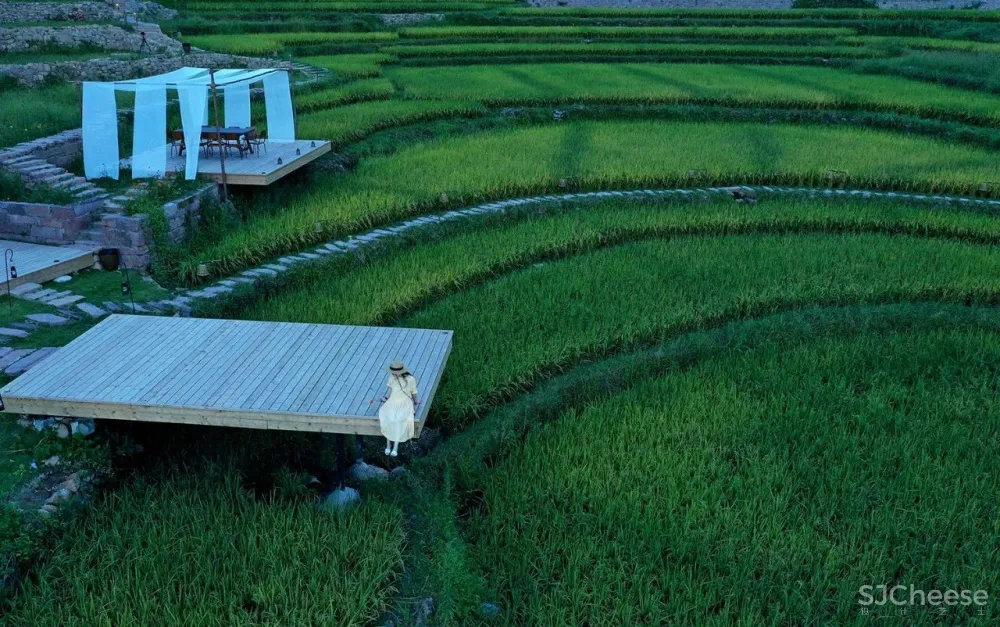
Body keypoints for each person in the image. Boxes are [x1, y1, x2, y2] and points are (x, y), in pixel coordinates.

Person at [377, 361, 418, 457]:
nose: (393, 373)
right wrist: (386, 398)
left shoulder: (410, 379)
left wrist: (416, 401)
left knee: (398, 420)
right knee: (388, 418)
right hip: (392, 401)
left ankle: (395, 446)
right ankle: (388, 445)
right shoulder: (392, 378)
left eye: (394, 372)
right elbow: (390, 390)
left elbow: (414, 392)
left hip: (404, 403)